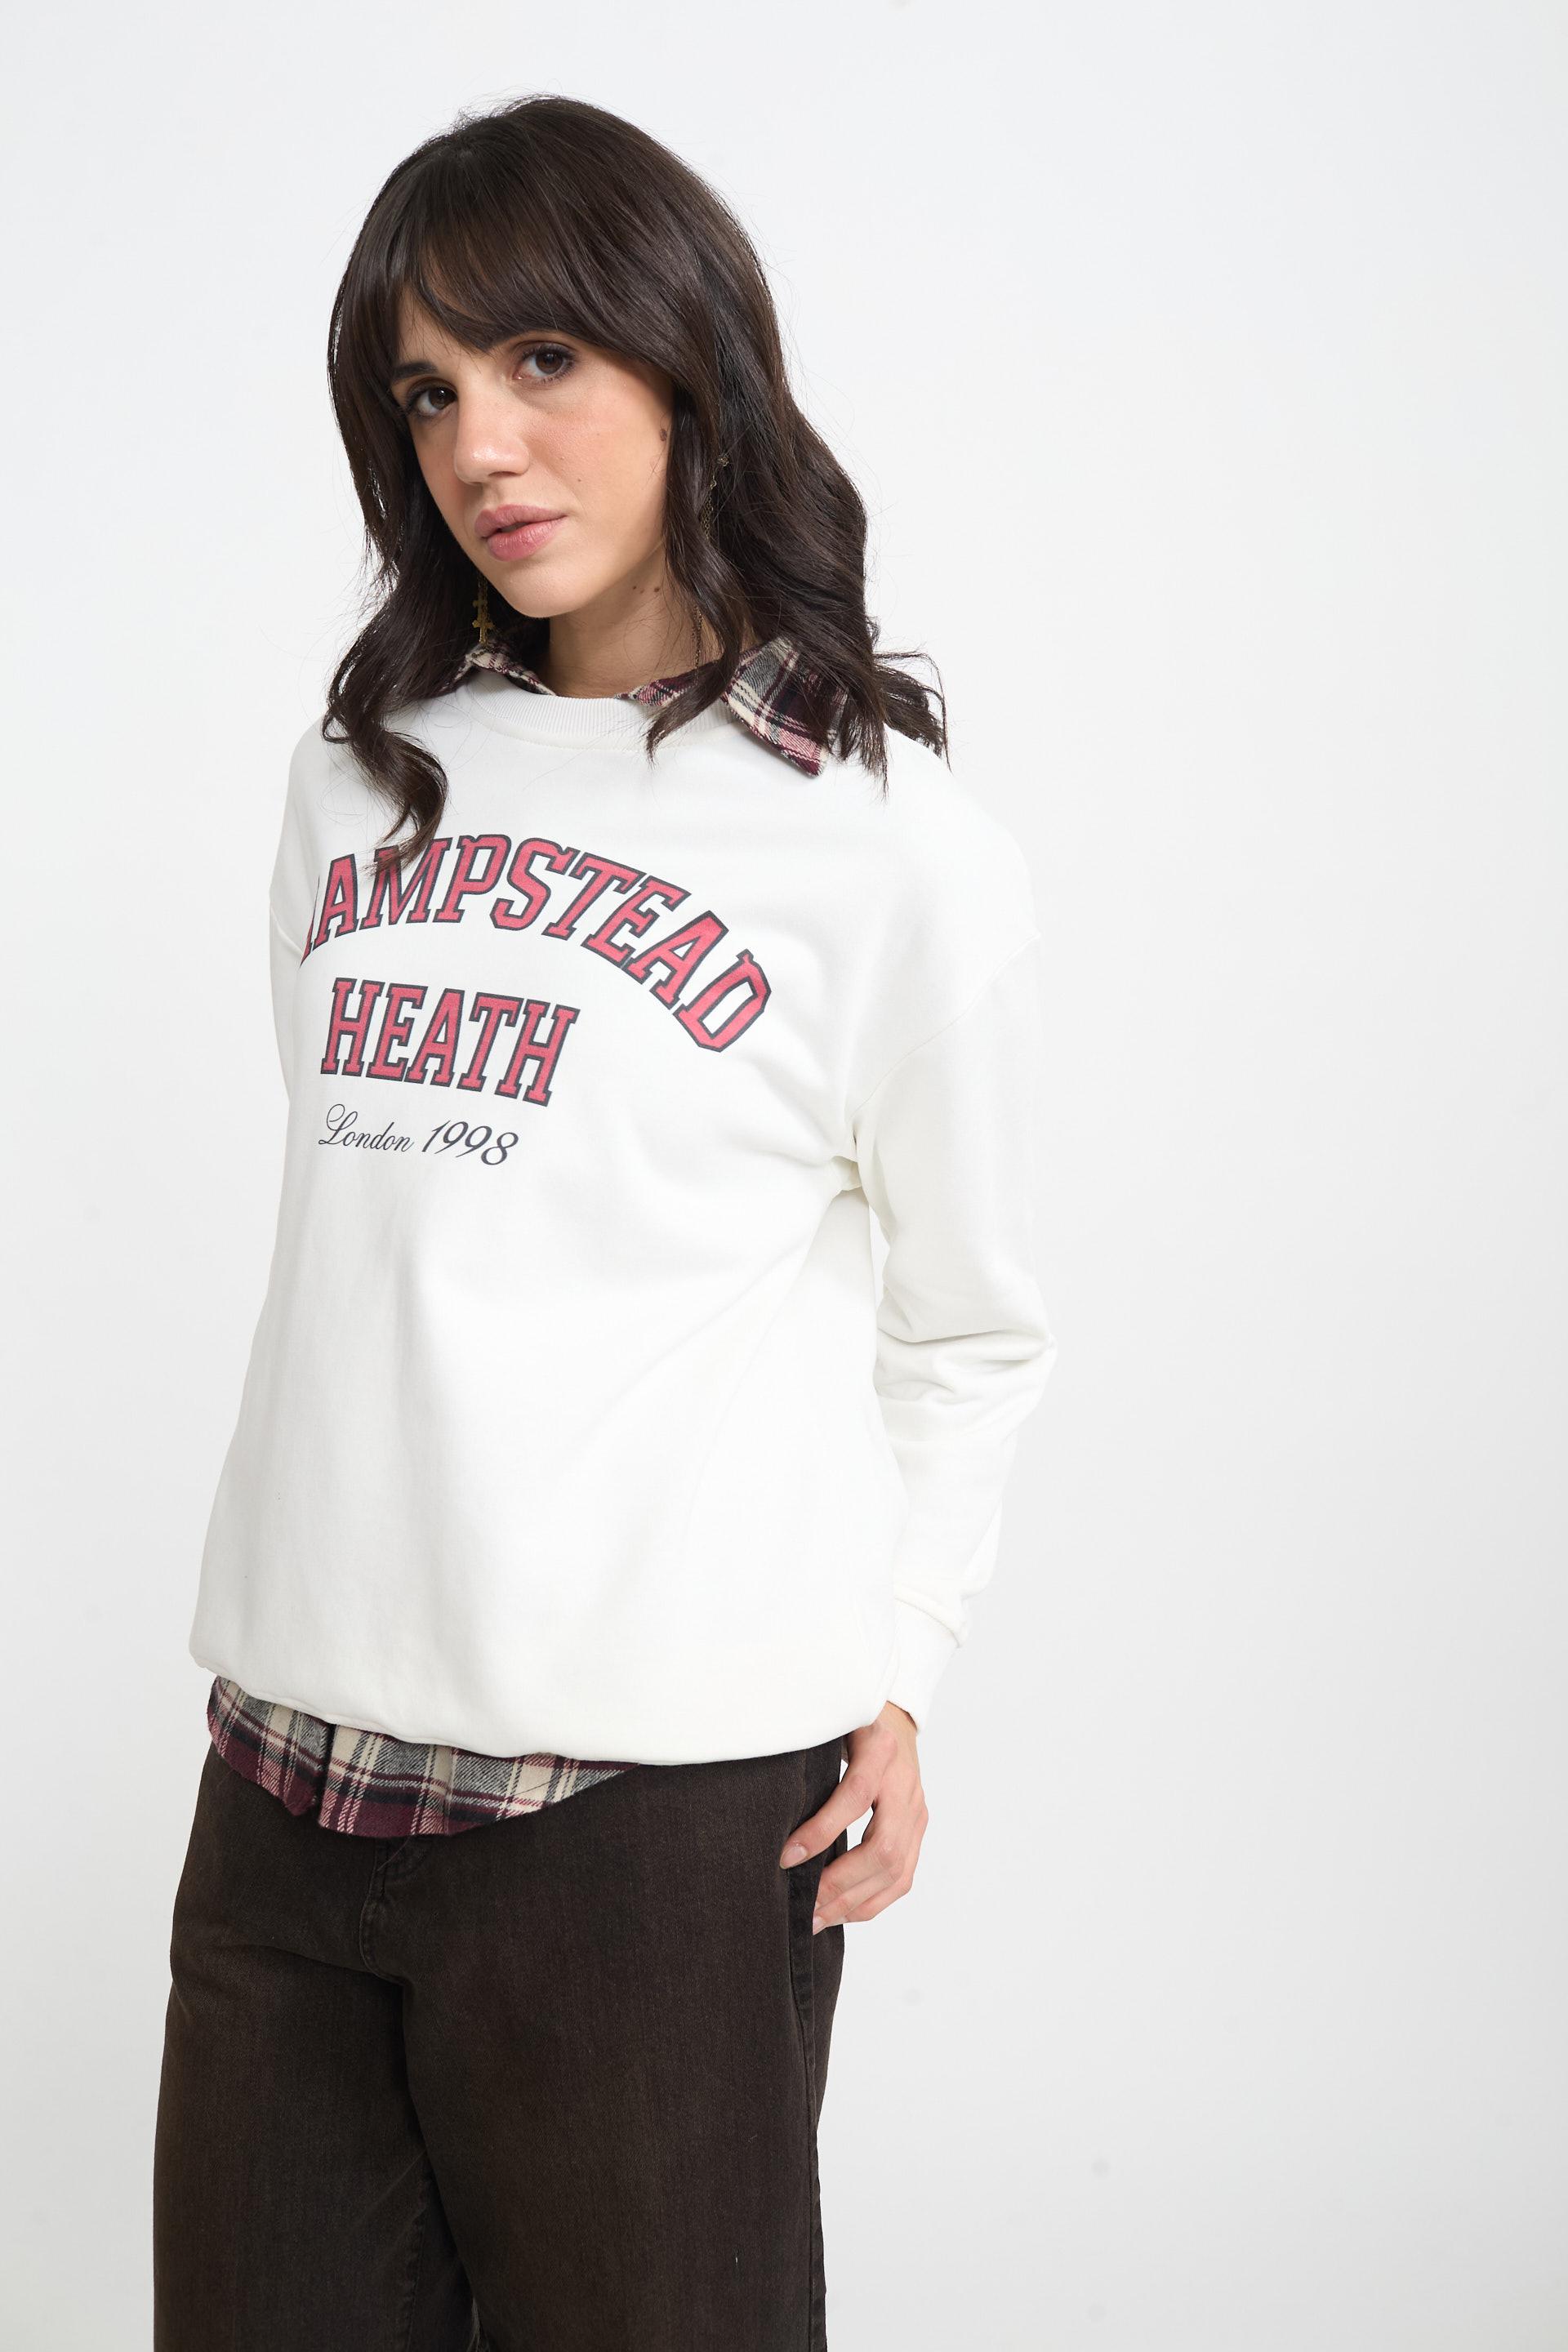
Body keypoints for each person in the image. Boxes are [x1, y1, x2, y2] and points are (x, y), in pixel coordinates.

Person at [152, 91, 1057, 2352]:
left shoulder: (883, 850)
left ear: (686, 361)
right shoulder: (354, 787)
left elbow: (970, 1325)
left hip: (645, 1831)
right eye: (427, 392)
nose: (483, 444)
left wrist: (900, 1664)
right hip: (282, 1796)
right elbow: (401, 1261)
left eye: (542, 359)